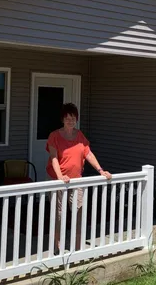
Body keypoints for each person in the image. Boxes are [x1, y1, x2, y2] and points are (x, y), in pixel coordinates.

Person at [46, 103, 111, 252]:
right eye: (67, 118)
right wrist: (60, 176)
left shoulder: (80, 135)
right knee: (58, 214)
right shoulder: (54, 136)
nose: (70, 120)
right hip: (58, 181)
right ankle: (57, 247)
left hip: (77, 180)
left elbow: (88, 153)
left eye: (73, 118)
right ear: (62, 119)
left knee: (79, 213)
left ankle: (77, 248)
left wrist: (100, 170)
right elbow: (54, 158)